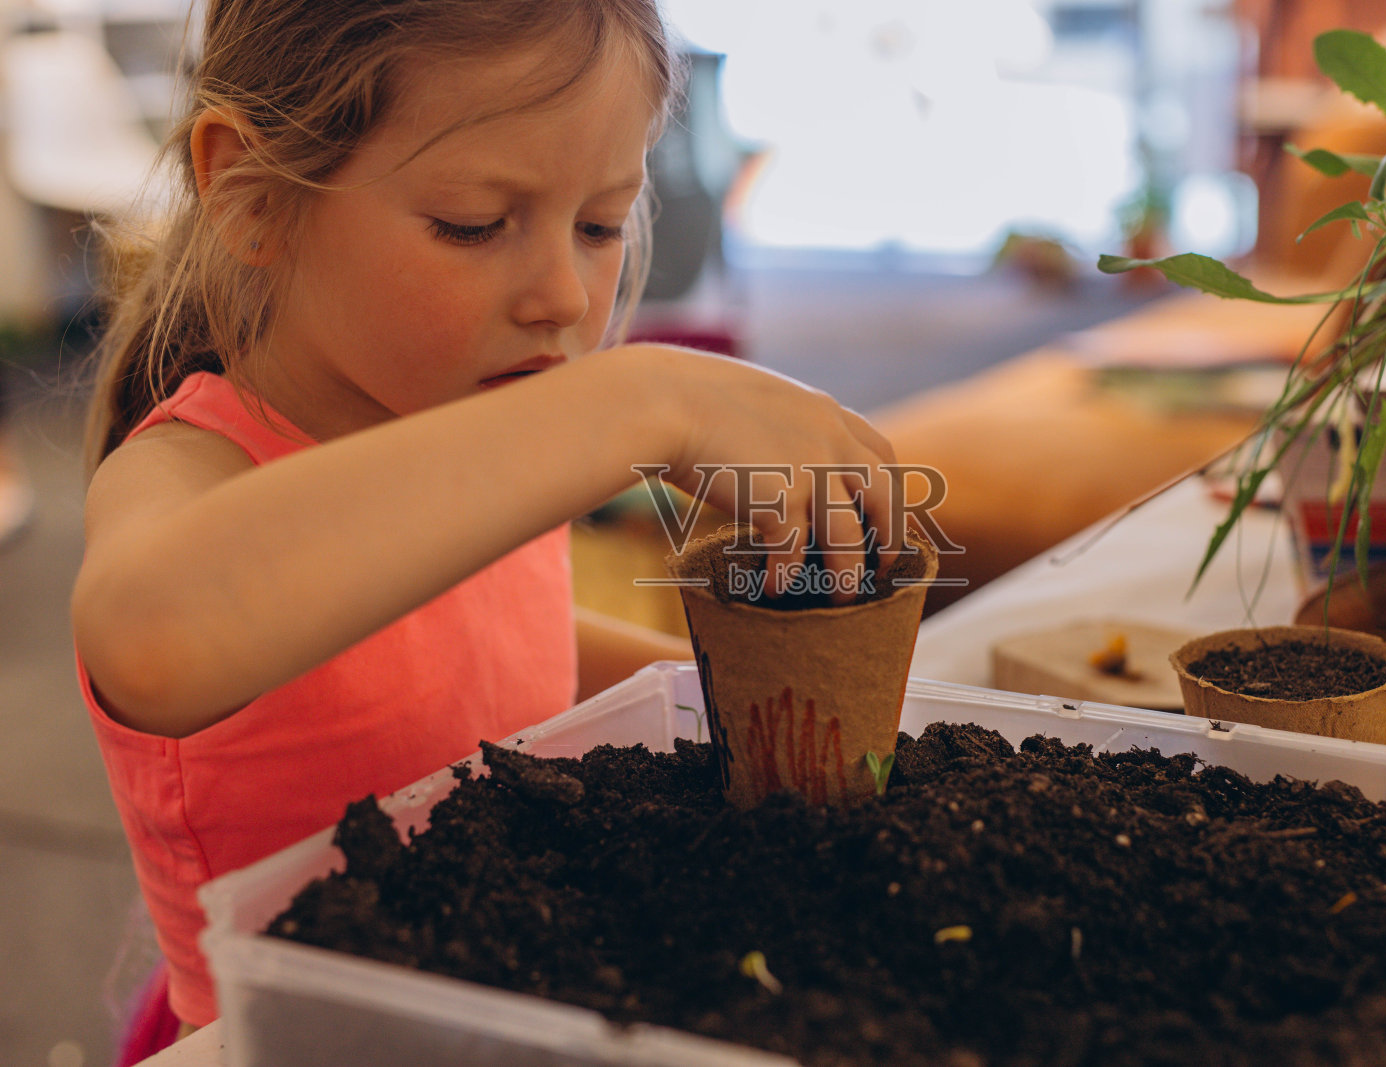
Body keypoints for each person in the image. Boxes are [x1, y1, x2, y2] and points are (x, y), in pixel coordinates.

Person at [70, 0, 901, 1054]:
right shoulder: (190, 466)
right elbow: (153, 634)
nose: (562, 293)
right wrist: (632, 403)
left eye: (599, 224)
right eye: (472, 222)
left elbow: (479, 647)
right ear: (251, 193)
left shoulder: (471, 432)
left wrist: (735, 686)